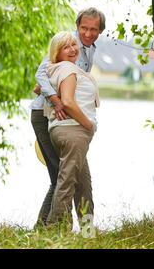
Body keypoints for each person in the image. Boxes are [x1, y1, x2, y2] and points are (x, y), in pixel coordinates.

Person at [30, 7, 105, 226]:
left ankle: (86, 229)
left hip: (70, 121)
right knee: (60, 177)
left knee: (79, 178)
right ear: (77, 26)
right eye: (84, 28)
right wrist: (55, 99)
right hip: (47, 115)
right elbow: (41, 74)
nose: (87, 34)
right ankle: (45, 230)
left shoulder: (88, 50)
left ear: (100, 31)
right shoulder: (67, 45)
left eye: (94, 29)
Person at [43, 31, 100, 226]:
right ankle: (55, 233)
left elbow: (39, 87)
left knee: (84, 184)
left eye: (73, 45)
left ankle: (87, 232)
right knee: (67, 182)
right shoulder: (67, 69)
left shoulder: (62, 68)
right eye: (66, 47)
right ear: (56, 54)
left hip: (69, 131)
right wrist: (88, 125)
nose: (73, 49)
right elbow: (67, 102)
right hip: (74, 130)